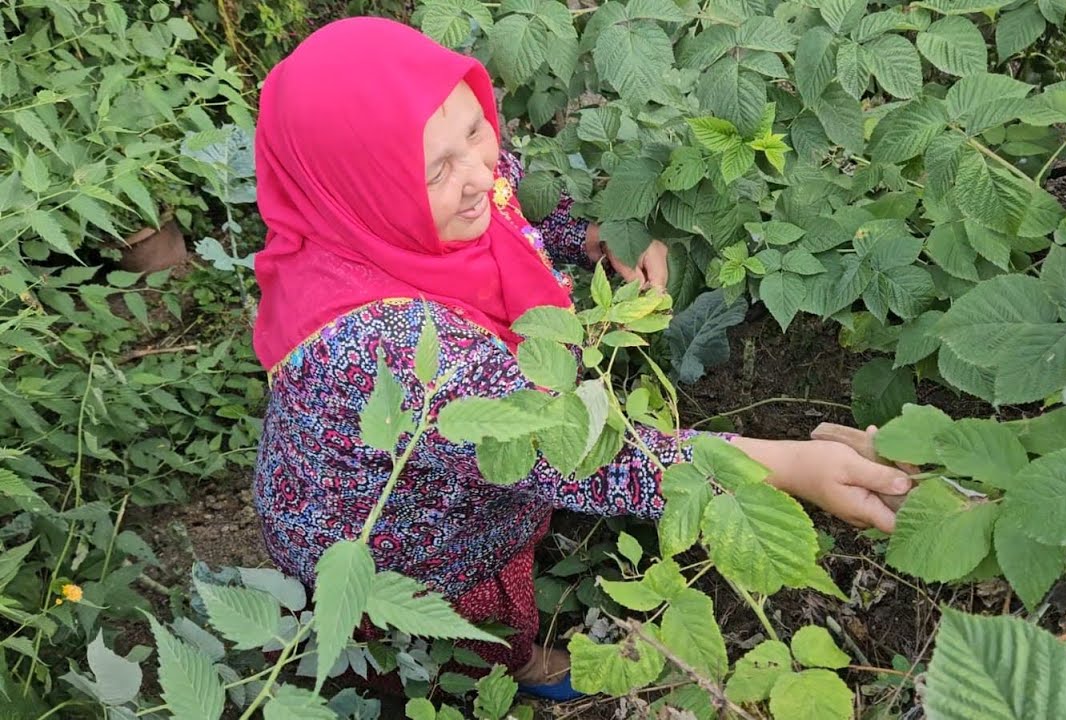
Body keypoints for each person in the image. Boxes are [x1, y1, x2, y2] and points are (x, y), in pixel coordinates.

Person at [250, 16, 910, 700]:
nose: (482, 171)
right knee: (473, 628)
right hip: (407, 540)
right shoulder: (383, 344)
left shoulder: (387, 208)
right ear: (359, 188)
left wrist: (593, 233)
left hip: (439, 474)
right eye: (440, 169)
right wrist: (792, 467)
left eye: (477, 128)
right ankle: (506, 673)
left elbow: (511, 192)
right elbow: (577, 456)